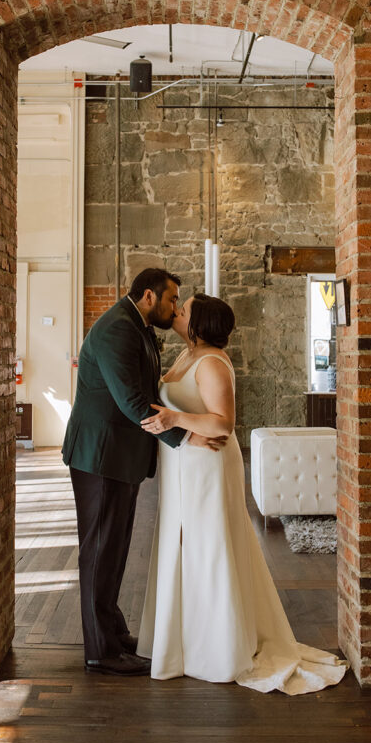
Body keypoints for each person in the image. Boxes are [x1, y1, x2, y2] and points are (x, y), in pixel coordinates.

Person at [137, 293, 348, 695]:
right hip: (183, 465)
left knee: (208, 548)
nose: (177, 311)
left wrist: (177, 419)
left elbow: (224, 424)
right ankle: (180, 641)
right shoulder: (187, 355)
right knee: (184, 547)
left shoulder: (213, 363)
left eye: (185, 309)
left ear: (199, 324)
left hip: (207, 468)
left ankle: (215, 647)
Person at [62, 268, 216, 677]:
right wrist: (187, 438)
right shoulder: (117, 329)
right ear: (149, 295)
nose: (173, 309)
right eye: (171, 300)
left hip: (119, 457)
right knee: (99, 552)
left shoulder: (138, 326)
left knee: (113, 549)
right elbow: (133, 402)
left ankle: (112, 631)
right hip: (99, 457)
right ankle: (100, 651)